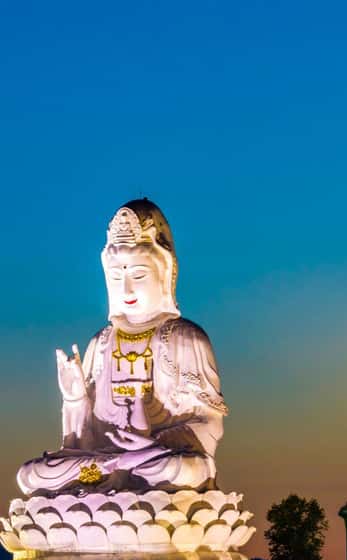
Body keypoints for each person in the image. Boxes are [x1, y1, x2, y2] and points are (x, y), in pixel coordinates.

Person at [17, 199, 228, 496]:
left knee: (189, 470)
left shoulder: (185, 338)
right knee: (30, 475)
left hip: (155, 458)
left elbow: (209, 422)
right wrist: (75, 399)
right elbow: (82, 441)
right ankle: (115, 471)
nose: (126, 288)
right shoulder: (101, 342)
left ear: (164, 273)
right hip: (104, 460)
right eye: (117, 277)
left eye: (138, 275)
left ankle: (120, 472)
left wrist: (152, 446)